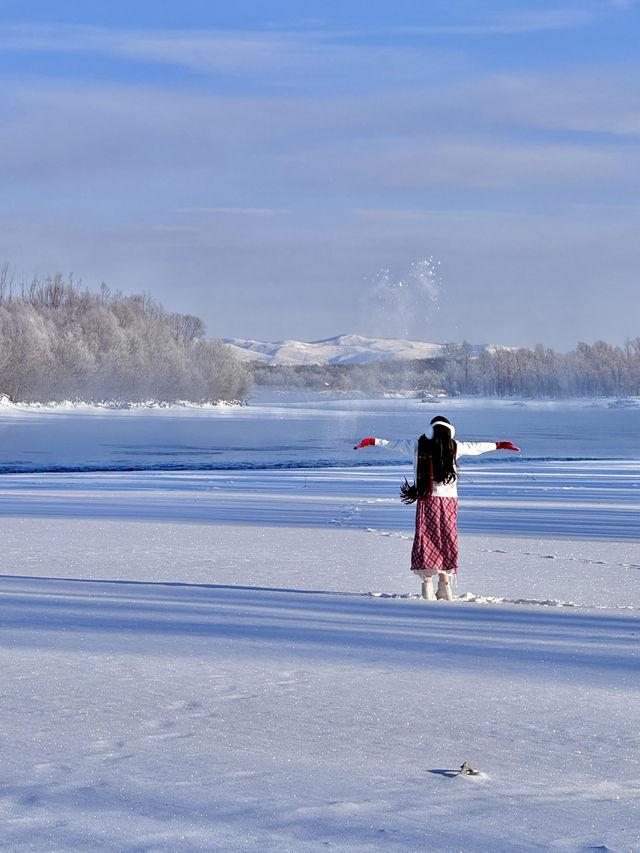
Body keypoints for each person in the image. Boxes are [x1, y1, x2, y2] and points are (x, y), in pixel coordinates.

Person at [354, 416, 519, 600]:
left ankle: (427, 585)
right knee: (447, 538)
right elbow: (477, 447)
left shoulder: (418, 446)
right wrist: (499, 445)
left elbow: (394, 444)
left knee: (426, 539)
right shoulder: (454, 447)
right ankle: (445, 586)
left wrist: (372, 441)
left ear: (429, 430)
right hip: (449, 501)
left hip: (426, 499)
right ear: (450, 431)